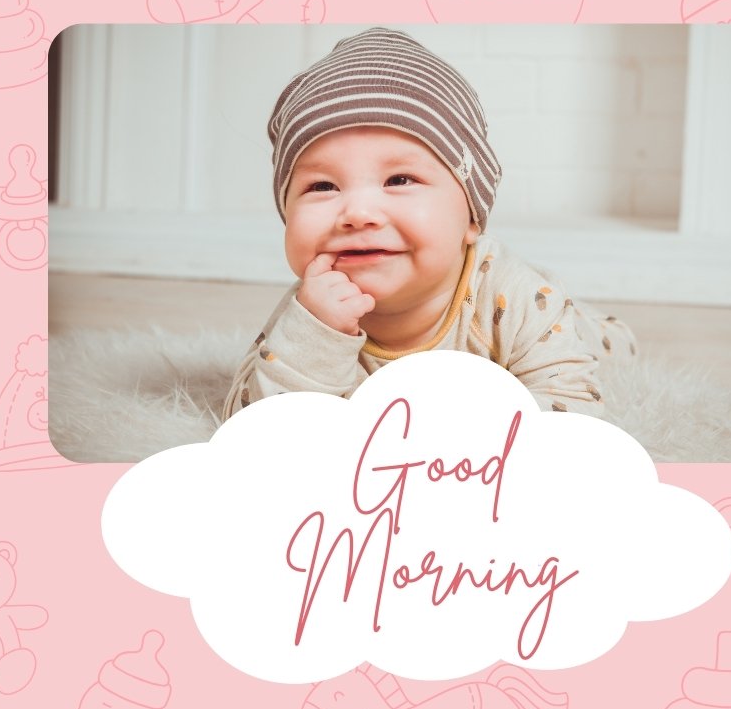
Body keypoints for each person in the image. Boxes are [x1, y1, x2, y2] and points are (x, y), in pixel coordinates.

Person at [222, 27, 635, 421]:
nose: (358, 213)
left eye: (399, 180)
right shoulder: (312, 310)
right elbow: (250, 422)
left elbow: (573, 407)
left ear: (472, 218)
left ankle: (596, 324)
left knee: (602, 346)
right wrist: (315, 339)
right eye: (323, 185)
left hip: (565, 328)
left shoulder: (519, 298)